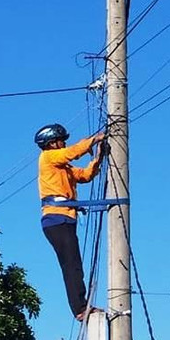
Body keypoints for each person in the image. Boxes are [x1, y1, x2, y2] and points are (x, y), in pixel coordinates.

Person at [35, 123, 106, 319]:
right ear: (52, 143)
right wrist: (93, 140)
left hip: (65, 218)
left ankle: (81, 305)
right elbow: (72, 152)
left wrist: (98, 157)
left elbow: (84, 175)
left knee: (74, 263)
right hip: (56, 218)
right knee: (71, 264)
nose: (64, 144)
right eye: (61, 141)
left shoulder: (63, 168)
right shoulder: (48, 157)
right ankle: (80, 308)